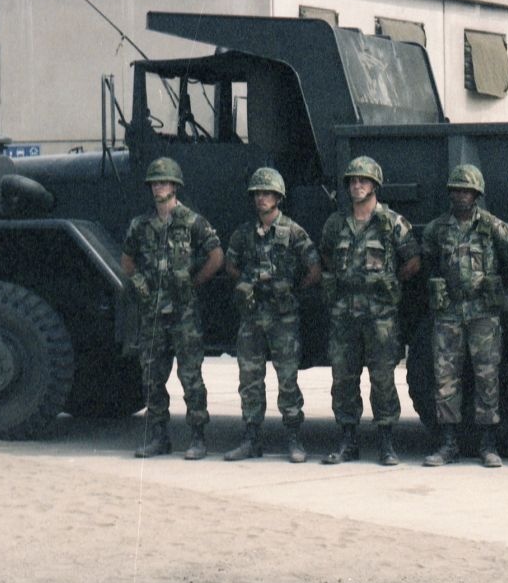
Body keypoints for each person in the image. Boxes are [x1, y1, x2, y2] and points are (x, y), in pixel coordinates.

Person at [318, 156, 420, 466]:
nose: (357, 185)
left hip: (380, 316)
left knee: (383, 379)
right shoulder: (336, 223)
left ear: (375, 185)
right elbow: (325, 256)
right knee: (344, 379)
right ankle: (348, 441)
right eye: (352, 180)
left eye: (363, 180)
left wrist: (388, 282)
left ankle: (386, 443)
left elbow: (413, 262)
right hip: (344, 313)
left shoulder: (391, 222)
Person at [120, 156, 223, 460]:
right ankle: (157, 436)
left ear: (175, 186)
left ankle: (197, 437)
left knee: (191, 377)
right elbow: (126, 260)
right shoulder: (141, 225)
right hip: (153, 313)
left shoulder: (191, 221)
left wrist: (194, 282)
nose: (158, 187)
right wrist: (138, 280)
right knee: (152, 377)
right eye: (154, 182)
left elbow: (216, 256)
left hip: (184, 314)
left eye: (163, 182)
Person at [421, 164, 508, 468]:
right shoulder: (437, 229)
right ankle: (448, 443)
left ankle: (488, 444)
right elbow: (427, 261)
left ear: (477, 194)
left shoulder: (493, 227)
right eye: (456, 190)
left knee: (487, 376)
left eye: (466, 191)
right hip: (449, 311)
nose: (461, 196)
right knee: (446, 378)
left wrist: (497, 289)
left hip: (483, 312)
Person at [222, 167, 323, 463]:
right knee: (250, 379)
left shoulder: (292, 231)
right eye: (257, 194)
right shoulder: (244, 233)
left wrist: (290, 289)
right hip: (252, 316)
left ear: (278, 197)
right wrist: (246, 282)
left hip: (283, 318)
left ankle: (293, 438)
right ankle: (251, 439)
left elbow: (314, 269)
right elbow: (229, 264)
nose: (261, 198)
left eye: (267, 193)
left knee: (287, 379)